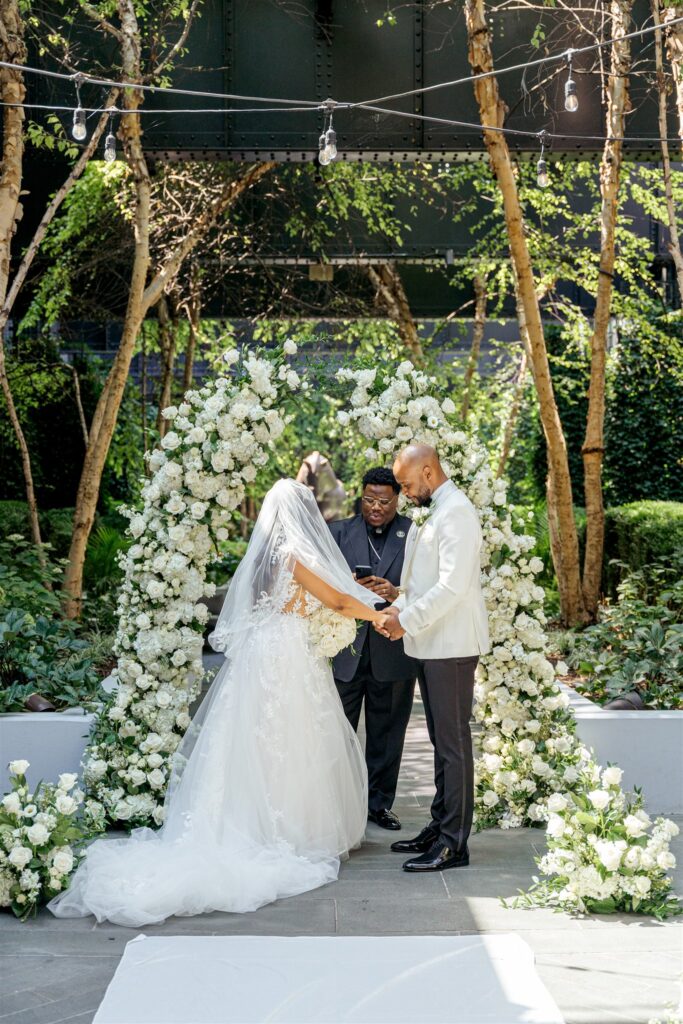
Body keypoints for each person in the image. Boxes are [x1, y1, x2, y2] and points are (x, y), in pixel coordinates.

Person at [47, 480, 388, 927]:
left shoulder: (266, 561)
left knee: (255, 740)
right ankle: (283, 831)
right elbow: (340, 600)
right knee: (290, 738)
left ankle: (259, 820)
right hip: (286, 655)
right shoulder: (296, 556)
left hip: (263, 652)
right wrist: (380, 613)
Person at [377, 445, 490, 873]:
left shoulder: (456, 511)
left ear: (428, 472)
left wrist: (406, 619)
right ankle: (440, 825)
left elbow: (452, 587)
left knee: (453, 745)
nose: (404, 494)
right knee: (442, 743)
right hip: (433, 642)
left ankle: (453, 843)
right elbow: (424, 581)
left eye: (406, 485)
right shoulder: (437, 510)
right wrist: (397, 605)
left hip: (453, 646)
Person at [329, 467, 416, 831]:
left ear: (398, 499)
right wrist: (347, 586)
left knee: (387, 732)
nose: (375, 507)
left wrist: (395, 592)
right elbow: (319, 583)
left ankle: (378, 806)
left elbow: (427, 585)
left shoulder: (414, 534)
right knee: (337, 732)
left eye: (383, 500)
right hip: (344, 649)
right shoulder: (337, 532)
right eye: (368, 499)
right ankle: (336, 803)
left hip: (393, 649)